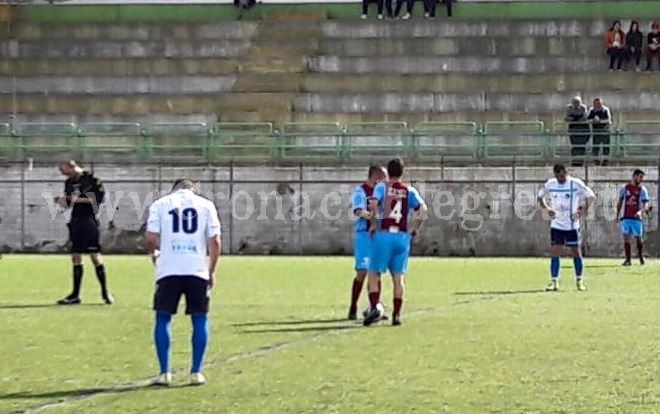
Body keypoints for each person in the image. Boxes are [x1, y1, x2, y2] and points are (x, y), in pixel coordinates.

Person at [145, 179, 221, 386]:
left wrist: (154, 254)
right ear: (192, 189)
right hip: (196, 270)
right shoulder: (206, 205)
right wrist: (211, 270)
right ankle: (196, 371)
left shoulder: (160, 204)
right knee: (199, 318)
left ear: (174, 189)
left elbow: (151, 237)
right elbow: (214, 241)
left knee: (163, 317)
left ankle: (165, 373)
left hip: (168, 269)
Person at [364, 158, 427, 326]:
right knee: (398, 278)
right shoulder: (409, 190)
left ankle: (374, 307)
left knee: (373, 274)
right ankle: (397, 316)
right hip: (401, 237)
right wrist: (415, 228)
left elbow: (373, 204)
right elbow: (423, 209)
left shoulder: (381, 187)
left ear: (388, 172)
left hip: (383, 235)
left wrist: (372, 224)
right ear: (402, 172)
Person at [55, 160, 113, 306]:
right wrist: (63, 202)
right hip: (76, 221)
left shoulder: (92, 180)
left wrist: (73, 199)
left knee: (95, 257)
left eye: (64, 171)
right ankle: (75, 295)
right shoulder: (69, 183)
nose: (63, 174)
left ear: (72, 166)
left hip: (89, 221)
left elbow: (97, 200)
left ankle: (105, 292)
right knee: (76, 257)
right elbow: (69, 203)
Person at [537, 164, 596, 292]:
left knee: (576, 252)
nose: (560, 178)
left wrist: (582, 211)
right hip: (556, 225)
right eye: (557, 176)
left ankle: (579, 281)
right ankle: (554, 282)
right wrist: (547, 209)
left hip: (572, 225)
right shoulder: (551, 184)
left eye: (562, 175)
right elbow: (539, 196)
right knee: (555, 253)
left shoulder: (575, 183)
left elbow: (591, 196)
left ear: (566, 173)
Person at [347, 165, 387, 320]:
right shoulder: (361, 191)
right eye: (382, 176)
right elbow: (357, 210)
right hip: (365, 236)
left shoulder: (382, 192)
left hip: (379, 236)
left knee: (376, 273)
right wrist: (371, 217)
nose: (385, 179)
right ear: (375, 175)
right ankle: (353, 305)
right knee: (362, 272)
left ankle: (374, 307)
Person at [616, 169, 651, 266]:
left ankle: (640, 257)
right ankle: (628, 259)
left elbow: (646, 204)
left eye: (642, 177)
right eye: (640, 177)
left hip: (636, 218)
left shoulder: (643, 189)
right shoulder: (624, 188)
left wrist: (641, 211)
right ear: (634, 176)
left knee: (639, 238)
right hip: (626, 217)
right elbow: (619, 202)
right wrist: (617, 215)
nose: (641, 179)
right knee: (626, 238)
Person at [565, 96, 589, 166]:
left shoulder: (583, 108)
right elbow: (567, 118)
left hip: (583, 129)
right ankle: (574, 161)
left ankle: (581, 161)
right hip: (573, 128)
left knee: (582, 146)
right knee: (574, 145)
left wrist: (574, 118)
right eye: (574, 103)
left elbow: (584, 118)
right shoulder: (568, 108)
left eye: (578, 103)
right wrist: (575, 119)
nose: (576, 104)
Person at [587, 98, 612, 166]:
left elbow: (608, 120)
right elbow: (588, 119)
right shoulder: (591, 110)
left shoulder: (605, 109)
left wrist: (599, 121)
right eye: (596, 104)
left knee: (606, 146)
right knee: (595, 146)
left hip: (605, 130)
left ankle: (605, 160)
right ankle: (596, 160)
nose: (597, 105)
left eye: (599, 103)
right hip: (596, 131)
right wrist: (593, 120)